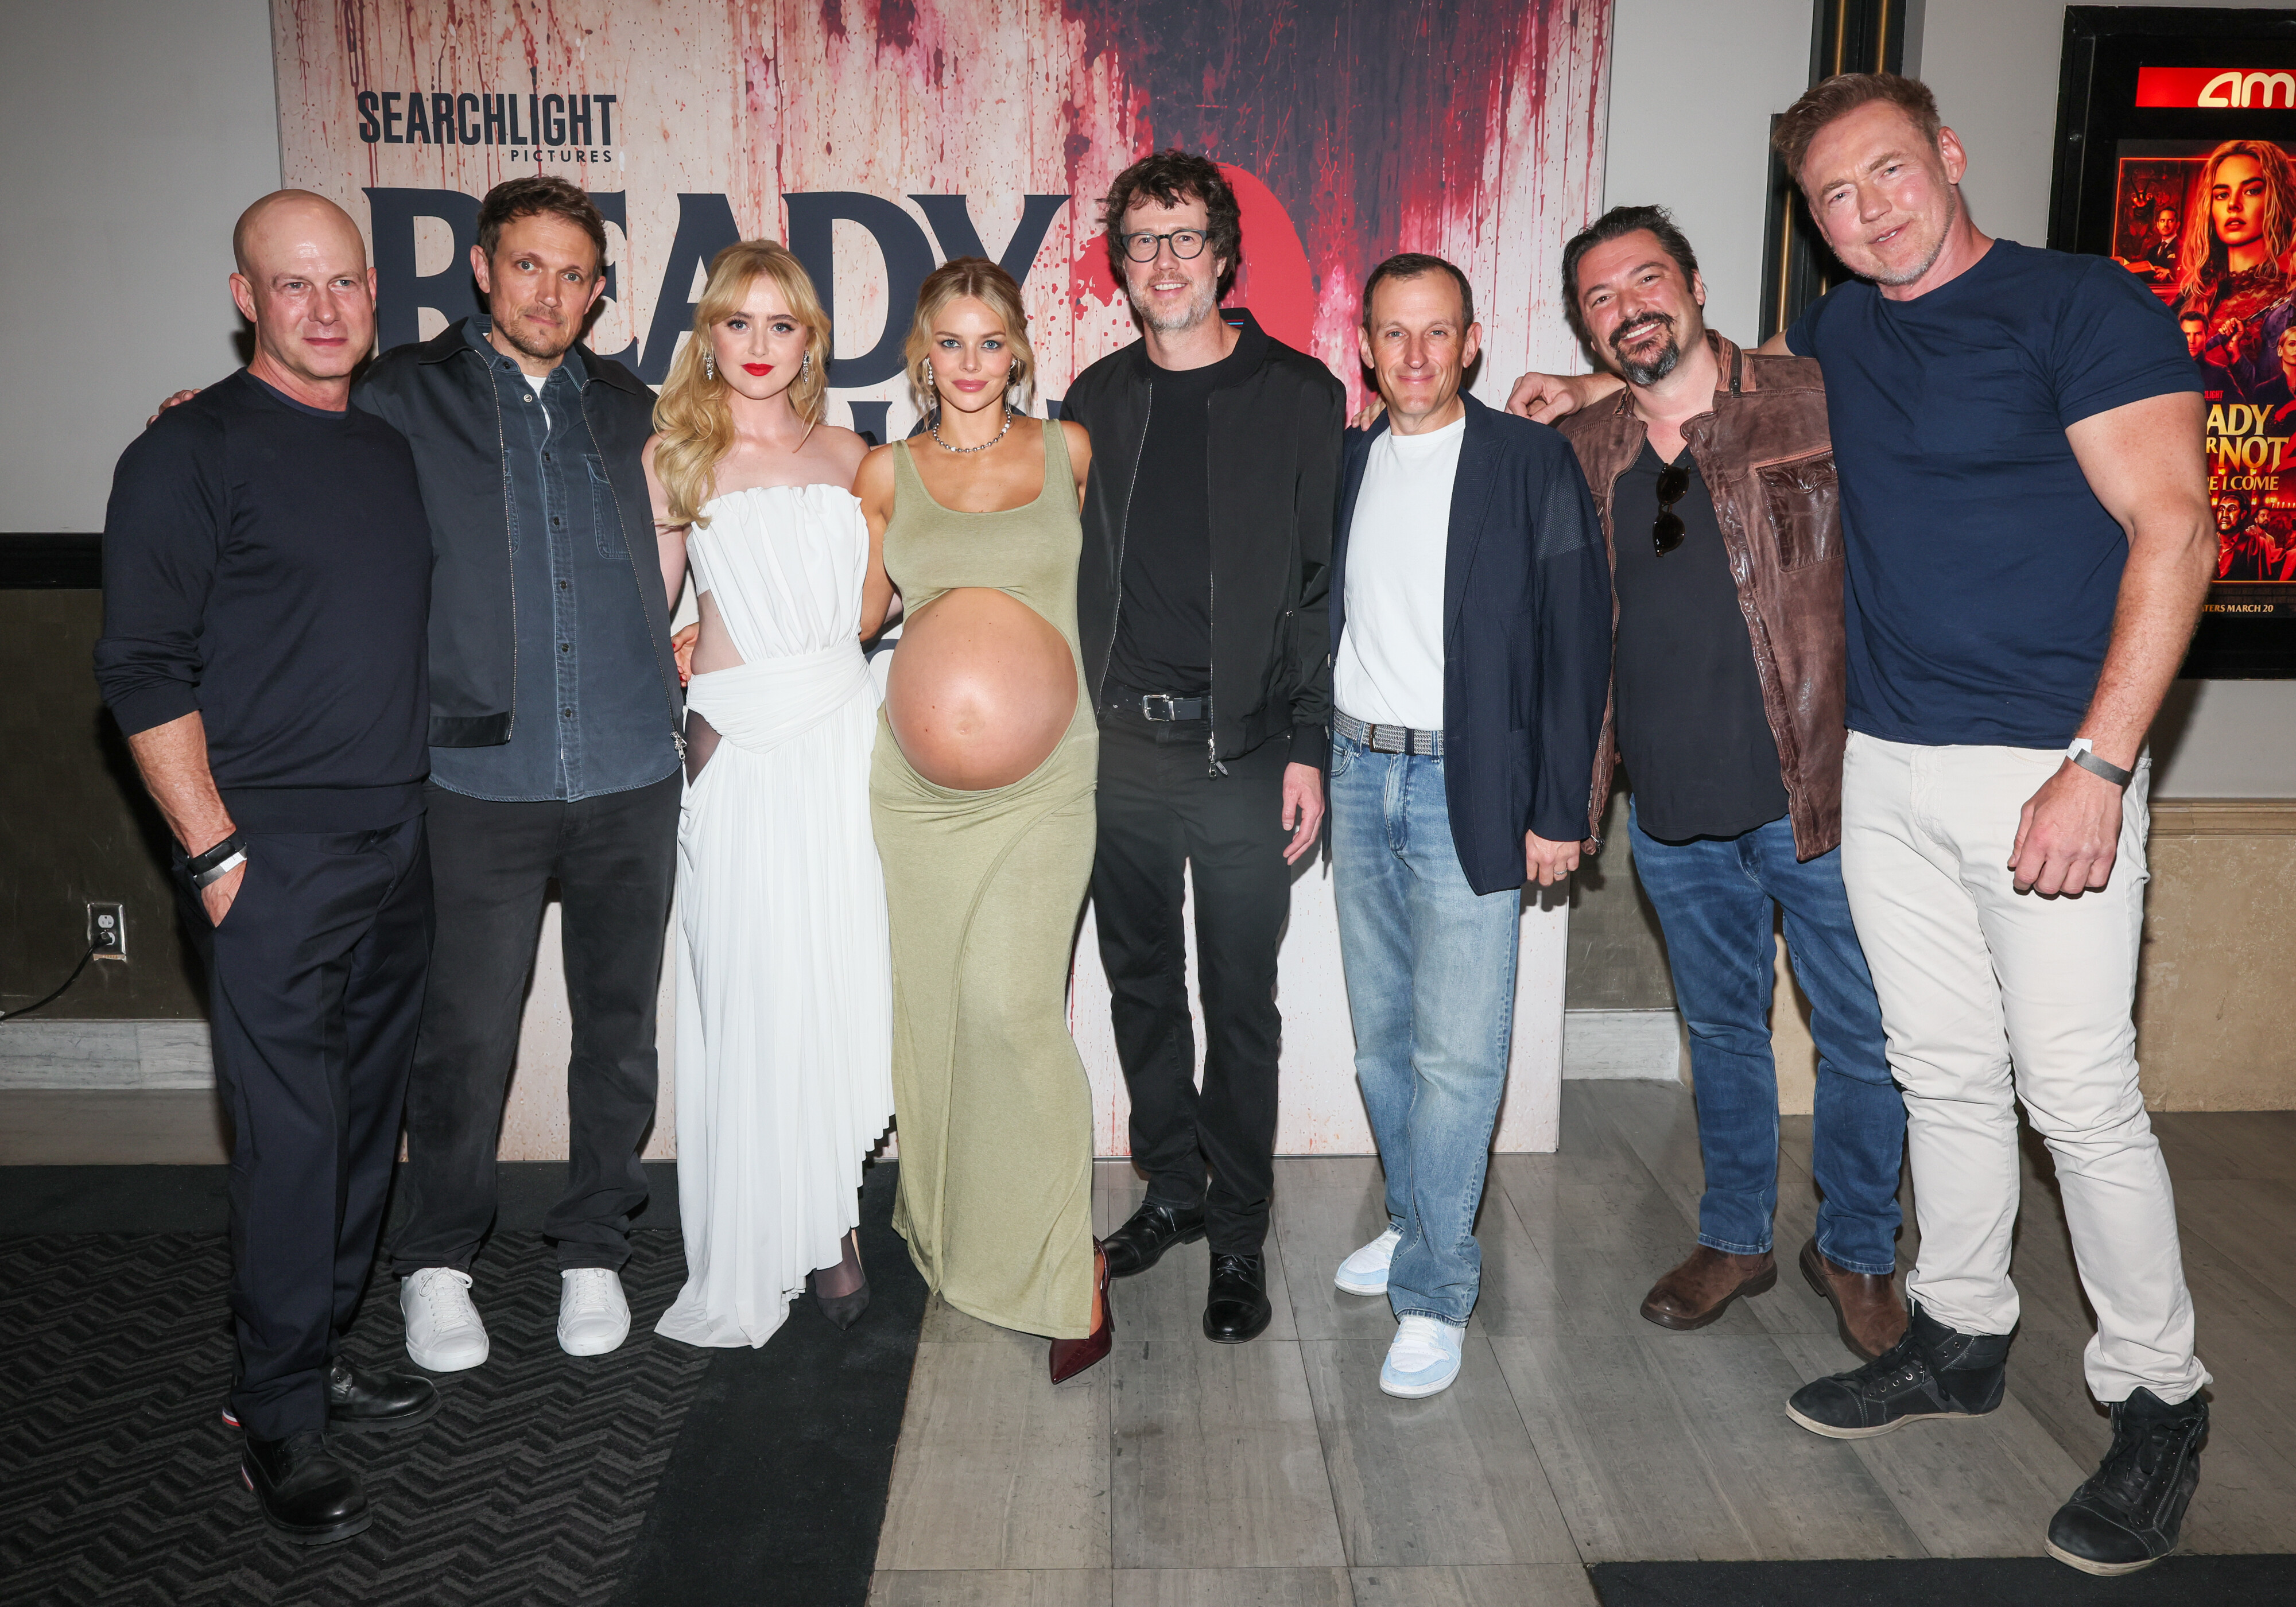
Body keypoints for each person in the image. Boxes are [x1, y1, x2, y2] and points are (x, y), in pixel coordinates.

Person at [1506, 71, 2217, 1578]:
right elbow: (1722, 380)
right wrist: (1582, 387)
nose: (1865, 210)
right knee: (1941, 1073)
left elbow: (2175, 529)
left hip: (2048, 762)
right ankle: (1957, 1330)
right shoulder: (1839, 334)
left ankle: (2156, 1394)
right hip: (1878, 765)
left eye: (1887, 172)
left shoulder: (2080, 306)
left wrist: (2099, 765)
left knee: (2076, 1096)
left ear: (1947, 156)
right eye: (1832, 195)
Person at [96, 190, 437, 1543]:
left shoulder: (385, 446)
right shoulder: (185, 453)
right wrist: (216, 852)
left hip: (397, 840)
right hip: (270, 856)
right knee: (290, 1138)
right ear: (245, 298)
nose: (323, 307)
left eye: (342, 281)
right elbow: (140, 669)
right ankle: (275, 1412)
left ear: (373, 290)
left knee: (357, 1124)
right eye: (291, 284)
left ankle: (316, 1349)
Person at [1551, 207, 1909, 1361]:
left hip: (1819, 800)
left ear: (1696, 282)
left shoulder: (1813, 398)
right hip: (1669, 813)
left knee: (1861, 1036)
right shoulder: (1584, 445)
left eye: (1645, 279)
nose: (1628, 308)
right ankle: (1736, 1237)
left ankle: (1857, 1248)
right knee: (1720, 1031)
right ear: (1586, 328)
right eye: (1601, 298)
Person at [360, 177, 687, 1369]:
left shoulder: (638, 409)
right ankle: (437, 1260)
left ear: (597, 291)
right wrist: (200, 418)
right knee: (464, 1036)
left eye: (574, 273)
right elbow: (282, 446)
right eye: (528, 265)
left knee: (618, 1031)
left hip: (629, 771)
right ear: (483, 269)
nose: (550, 291)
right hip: (476, 777)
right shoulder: (397, 395)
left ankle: (594, 1243)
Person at [1061, 150, 1344, 1345]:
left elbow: (1319, 586)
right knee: (1138, 986)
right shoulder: (1094, 399)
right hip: (1115, 751)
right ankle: (1172, 1190)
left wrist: (1307, 742)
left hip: (1244, 754)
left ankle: (1237, 1231)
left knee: (1239, 1002)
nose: (1165, 260)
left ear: (1225, 256)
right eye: (1143, 240)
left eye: (1186, 238)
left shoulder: (1299, 393)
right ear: (1120, 266)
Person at [1325, 254, 1608, 1398]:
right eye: (1393, 333)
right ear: (1364, 347)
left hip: (1473, 783)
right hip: (1358, 771)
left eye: (1436, 331)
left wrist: (1558, 806)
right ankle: (1415, 1221)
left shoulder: (1528, 461)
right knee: (1380, 1044)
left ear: (1472, 341)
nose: (1414, 355)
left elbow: (1576, 642)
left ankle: (1438, 1288)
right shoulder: (1349, 463)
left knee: (1457, 1051)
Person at [860, 257, 1110, 1384]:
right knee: (936, 1015)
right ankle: (962, 1239)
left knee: (1012, 1009)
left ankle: (1069, 1266)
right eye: (949, 342)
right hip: (914, 800)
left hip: (1047, 780)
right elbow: (853, 617)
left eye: (990, 341)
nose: (970, 363)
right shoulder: (884, 472)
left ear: (1018, 351)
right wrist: (713, 628)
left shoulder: (1068, 453)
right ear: (923, 355)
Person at [643, 242, 894, 1347]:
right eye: (736, 322)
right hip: (738, 750)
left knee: (832, 986)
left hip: (841, 739)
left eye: (780, 324)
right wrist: (687, 703)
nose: (758, 345)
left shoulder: (854, 457)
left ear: (809, 341)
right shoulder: (674, 457)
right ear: (709, 336)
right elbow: (646, 618)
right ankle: (788, 1234)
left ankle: (831, 1216)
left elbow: (881, 605)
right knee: (754, 995)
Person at [2172, 139, 2296, 401]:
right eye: (2222, 194)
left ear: (2276, 199)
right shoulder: (2191, 295)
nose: (2233, 205)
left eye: (2251, 191)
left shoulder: (2288, 299)